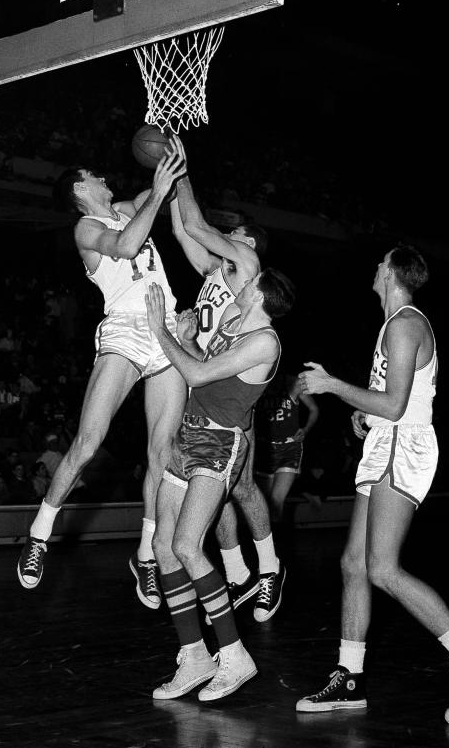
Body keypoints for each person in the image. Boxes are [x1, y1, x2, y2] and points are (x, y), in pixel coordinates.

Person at [294, 246, 449, 724]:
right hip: (386, 442)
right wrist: (360, 412)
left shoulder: (406, 323)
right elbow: (389, 403)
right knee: (354, 562)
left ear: (390, 272)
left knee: (382, 570)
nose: (372, 267)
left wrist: (332, 386)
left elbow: (394, 407)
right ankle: (349, 677)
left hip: (402, 447)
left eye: (378, 263)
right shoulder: (393, 324)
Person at [16, 144, 187, 606]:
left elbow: (165, 195)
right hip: (126, 331)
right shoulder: (87, 226)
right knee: (87, 445)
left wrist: (172, 159)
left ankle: (146, 556)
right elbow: (128, 244)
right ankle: (39, 536)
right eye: (94, 174)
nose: (105, 177)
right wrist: (158, 192)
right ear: (79, 189)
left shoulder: (129, 206)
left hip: (166, 329)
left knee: (163, 453)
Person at [145, 268, 294, 702]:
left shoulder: (265, 342)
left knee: (188, 546)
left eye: (251, 284)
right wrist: (188, 337)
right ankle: (194, 656)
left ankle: (234, 655)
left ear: (261, 297)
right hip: (189, 435)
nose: (242, 285)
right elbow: (203, 366)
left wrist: (161, 330)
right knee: (163, 546)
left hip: (218, 445)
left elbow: (193, 375)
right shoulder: (231, 316)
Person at [169, 160, 284, 621]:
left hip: (231, 389)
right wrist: (165, 187)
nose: (224, 236)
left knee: (241, 486)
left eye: (233, 234)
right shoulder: (216, 273)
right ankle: (237, 574)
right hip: (205, 379)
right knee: (214, 490)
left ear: (248, 245)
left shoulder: (248, 268)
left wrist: (180, 171)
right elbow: (183, 231)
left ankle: (270, 569)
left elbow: (196, 223)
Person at [254, 372, 320, 527]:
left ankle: (277, 544)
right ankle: (263, 543)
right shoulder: (257, 383)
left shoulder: (294, 384)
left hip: (289, 448)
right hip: (265, 449)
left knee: (277, 500)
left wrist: (305, 429)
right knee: (264, 502)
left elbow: (314, 409)